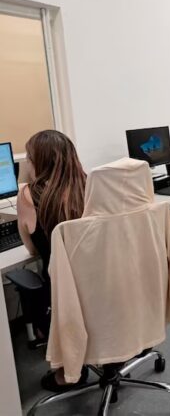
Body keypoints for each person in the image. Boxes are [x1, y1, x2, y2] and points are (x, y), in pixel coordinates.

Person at [16, 130, 88, 391]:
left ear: (39, 162)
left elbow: (31, 249)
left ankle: (66, 372)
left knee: (28, 283)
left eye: (30, 158)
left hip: (61, 296)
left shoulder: (28, 195)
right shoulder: (90, 186)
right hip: (100, 288)